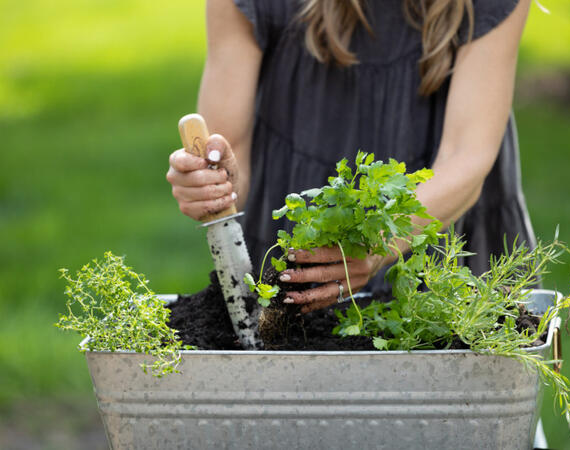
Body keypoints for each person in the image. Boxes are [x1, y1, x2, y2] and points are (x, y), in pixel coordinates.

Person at [167, 0, 536, 313]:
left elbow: (465, 157)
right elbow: (232, 157)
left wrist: (378, 243)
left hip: (444, 227)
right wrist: (213, 186)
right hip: (296, 230)